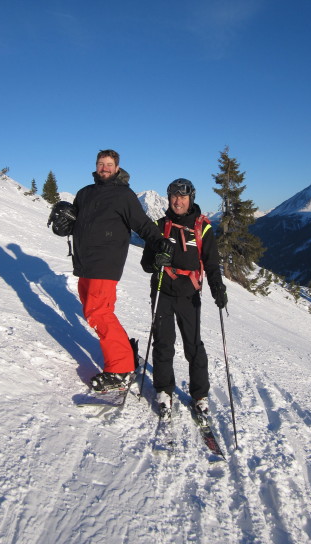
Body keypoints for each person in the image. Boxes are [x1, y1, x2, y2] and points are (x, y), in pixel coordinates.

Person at [64, 149, 167, 393]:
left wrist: (160, 242)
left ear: (117, 168)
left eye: (109, 164)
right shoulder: (84, 193)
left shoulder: (123, 195)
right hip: (84, 263)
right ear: (96, 166)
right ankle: (126, 355)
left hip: (105, 262)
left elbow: (142, 224)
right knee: (97, 312)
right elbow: (73, 222)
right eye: (101, 164)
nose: (105, 168)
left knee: (98, 313)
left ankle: (121, 368)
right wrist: (63, 224)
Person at [140, 178, 227, 418]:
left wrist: (218, 288)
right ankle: (163, 390)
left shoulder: (203, 228)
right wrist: (155, 261)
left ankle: (200, 395)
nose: (177, 201)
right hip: (162, 290)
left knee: (193, 345)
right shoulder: (158, 227)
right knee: (163, 343)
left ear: (191, 199)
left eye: (182, 197)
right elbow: (146, 263)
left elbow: (211, 263)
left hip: (189, 294)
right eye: (174, 197)